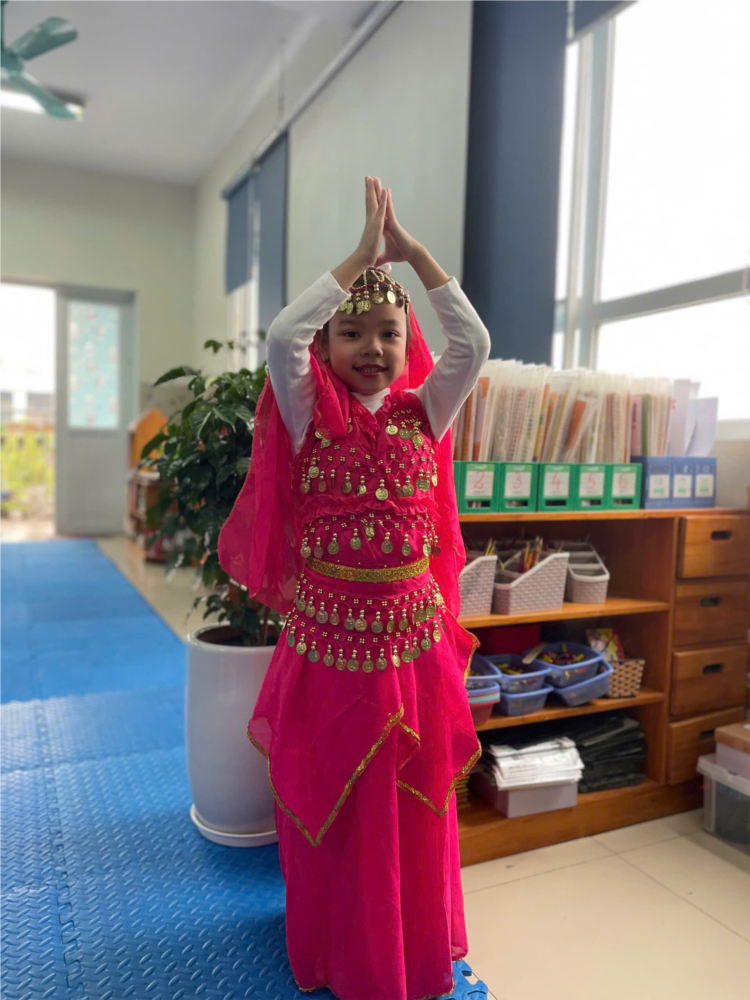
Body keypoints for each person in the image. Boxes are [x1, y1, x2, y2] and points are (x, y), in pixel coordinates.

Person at [218, 176, 491, 1000]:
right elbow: (281, 336)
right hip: (331, 655)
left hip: (413, 650)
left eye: (387, 332)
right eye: (351, 332)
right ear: (328, 344)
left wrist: (415, 255)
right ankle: (343, 951)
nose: (371, 347)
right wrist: (357, 260)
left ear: (409, 343)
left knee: (410, 805)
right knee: (339, 803)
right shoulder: (309, 414)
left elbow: (473, 343)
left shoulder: (426, 411)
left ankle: (410, 950)